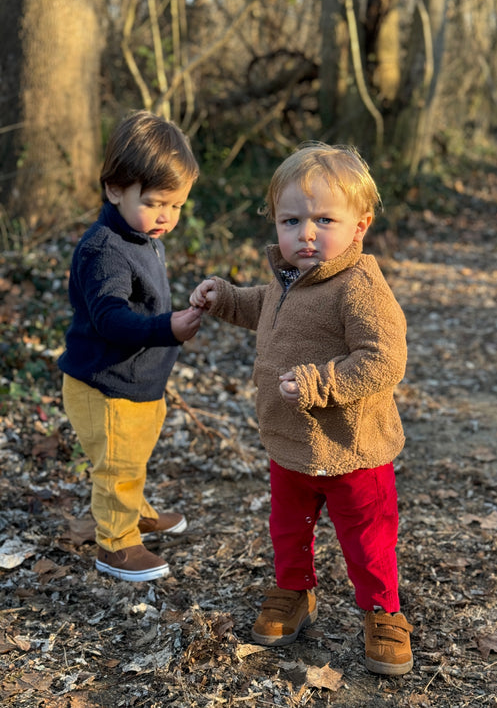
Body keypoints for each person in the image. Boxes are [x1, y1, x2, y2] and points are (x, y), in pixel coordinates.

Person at [189, 142, 413, 675]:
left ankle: (383, 610)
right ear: (275, 224)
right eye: (291, 220)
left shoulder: (358, 286)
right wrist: (223, 299)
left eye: (324, 219)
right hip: (289, 443)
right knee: (288, 528)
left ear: (360, 225)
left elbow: (385, 359)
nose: (305, 233)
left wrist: (320, 383)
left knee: (368, 534)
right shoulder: (285, 279)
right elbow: (263, 310)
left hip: (352, 448)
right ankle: (294, 591)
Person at [58, 110, 202, 582]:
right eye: (157, 202)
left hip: (138, 383)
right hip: (105, 384)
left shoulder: (141, 234)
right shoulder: (104, 250)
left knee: (133, 452)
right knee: (116, 462)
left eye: (177, 206)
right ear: (115, 189)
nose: (167, 216)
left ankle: (135, 510)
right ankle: (116, 545)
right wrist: (167, 328)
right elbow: (111, 319)